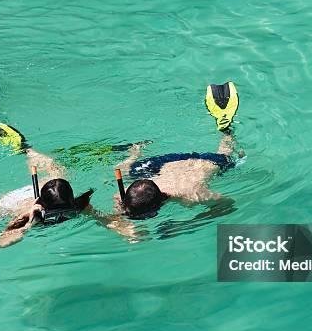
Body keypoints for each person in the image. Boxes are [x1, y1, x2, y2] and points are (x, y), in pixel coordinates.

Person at [99, 82, 242, 237]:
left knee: (228, 155)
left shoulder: (191, 194)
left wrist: (185, 225)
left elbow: (227, 205)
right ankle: (134, 152)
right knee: (131, 171)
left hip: (203, 162)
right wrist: (124, 225)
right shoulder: (125, 195)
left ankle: (226, 128)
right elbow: (116, 208)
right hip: (160, 165)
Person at [0, 123, 95, 247]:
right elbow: (1, 243)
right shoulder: (28, 214)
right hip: (14, 202)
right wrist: (27, 224)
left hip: (44, 190)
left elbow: (109, 221)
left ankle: (25, 148)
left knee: (57, 170)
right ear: (42, 208)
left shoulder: (78, 205)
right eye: (52, 215)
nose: (61, 218)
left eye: (68, 213)